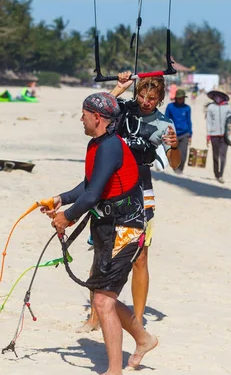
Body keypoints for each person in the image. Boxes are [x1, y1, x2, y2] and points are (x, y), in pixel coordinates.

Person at [41, 92, 158, 374]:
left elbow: (92, 195)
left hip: (126, 229)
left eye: (83, 113)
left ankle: (114, 370)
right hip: (107, 226)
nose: (80, 118)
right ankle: (143, 338)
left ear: (97, 117)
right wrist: (61, 199)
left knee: (103, 300)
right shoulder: (97, 145)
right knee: (102, 295)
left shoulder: (110, 147)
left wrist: (67, 218)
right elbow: (88, 186)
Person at [77, 72, 181, 333]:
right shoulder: (122, 110)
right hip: (110, 185)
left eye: (152, 98)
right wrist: (119, 88)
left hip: (141, 190)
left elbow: (176, 164)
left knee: (141, 256)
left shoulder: (164, 124)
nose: (146, 101)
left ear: (159, 99)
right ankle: (94, 317)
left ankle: (137, 318)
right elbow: (95, 113)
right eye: (143, 96)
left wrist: (176, 146)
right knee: (102, 250)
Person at [206, 90, 231, 184]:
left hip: (225, 135)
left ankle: (221, 174)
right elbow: (208, 122)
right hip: (214, 135)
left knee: (223, 155)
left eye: (219, 96)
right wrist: (208, 135)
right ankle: (216, 173)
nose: (217, 97)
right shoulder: (211, 107)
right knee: (215, 155)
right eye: (216, 96)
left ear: (222, 96)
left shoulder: (227, 107)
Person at [165, 89, 192, 174]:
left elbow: (189, 121)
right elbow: (166, 119)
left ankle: (180, 169)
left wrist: (190, 134)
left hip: (185, 133)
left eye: (182, 98)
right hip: (173, 134)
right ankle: (175, 168)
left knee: (183, 154)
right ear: (176, 98)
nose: (180, 100)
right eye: (179, 98)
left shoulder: (187, 108)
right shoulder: (170, 107)